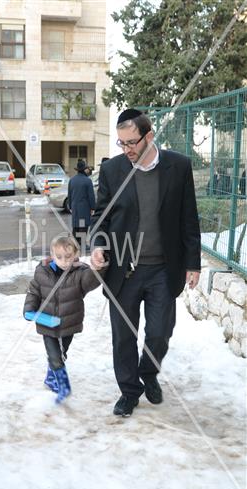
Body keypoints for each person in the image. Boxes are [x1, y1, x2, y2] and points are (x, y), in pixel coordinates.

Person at [90, 108, 201, 417]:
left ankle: (148, 372)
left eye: (131, 143)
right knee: (123, 336)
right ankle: (129, 391)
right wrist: (98, 245)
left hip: (164, 270)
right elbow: (100, 215)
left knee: (160, 332)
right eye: (121, 143)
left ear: (149, 136)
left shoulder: (178, 167)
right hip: (123, 272)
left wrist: (193, 262)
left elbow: (188, 218)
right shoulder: (112, 170)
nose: (126, 150)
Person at [23, 234, 103, 403]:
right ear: (52, 254)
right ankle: (63, 385)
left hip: (68, 323)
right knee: (55, 356)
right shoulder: (43, 271)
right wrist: (29, 308)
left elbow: (91, 281)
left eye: (68, 257)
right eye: (59, 257)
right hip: (46, 322)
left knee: (61, 354)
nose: (64, 261)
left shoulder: (80, 273)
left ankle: (50, 378)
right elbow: (34, 291)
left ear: (75, 254)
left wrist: (97, 268)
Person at [68, 159, 96, 251]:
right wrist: (93, 207)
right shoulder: (87, 181)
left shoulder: (72, 180)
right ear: (84, 169)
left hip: (75, 207)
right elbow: (91, 196)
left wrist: (71, 206)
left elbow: (70, 194)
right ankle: (83, 245)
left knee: (76, 226)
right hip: (84, 207)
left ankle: (75, 244)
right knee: (83, 226)